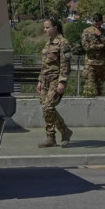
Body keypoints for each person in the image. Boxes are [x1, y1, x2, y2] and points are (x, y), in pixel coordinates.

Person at [36, 17, 73, 148]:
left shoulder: (63, 43)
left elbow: (65, 64)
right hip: (45, 80)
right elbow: (44, 64)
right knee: (45, 109)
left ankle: (65, 131)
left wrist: (62, 82)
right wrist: (40, 80)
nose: (45, 30)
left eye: (47, 27)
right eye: (44, 27)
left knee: (48, 107)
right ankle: (50, 137)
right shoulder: (48, 43)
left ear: (55, 27)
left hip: (55, 80)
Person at [80, 13, 105, 96]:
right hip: (90, 63)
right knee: (90, 87)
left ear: (102, 22)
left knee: (100, 87)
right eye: (95, 22)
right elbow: (85, 46)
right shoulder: (86, 31)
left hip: (102, 63)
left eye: (99, 22)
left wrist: (100, 35)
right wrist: (99, 46)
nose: (97, 25)